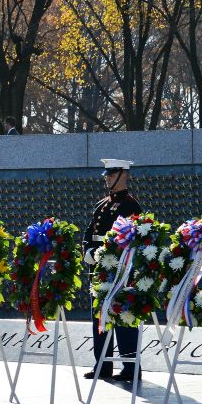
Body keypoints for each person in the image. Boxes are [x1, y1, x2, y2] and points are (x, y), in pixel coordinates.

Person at [82, 159, 142, 381]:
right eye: (106, 174)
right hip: (100, 267)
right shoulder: (102, 204)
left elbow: (129, 238)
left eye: (111, 174)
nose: (106, 177)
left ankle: (129, 366)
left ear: (123, 175)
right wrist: (87, 250)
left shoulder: (130, 205)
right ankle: (103, 364)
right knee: (99, 314)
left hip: (120, 269)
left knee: (122, 314)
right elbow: (89, 231)